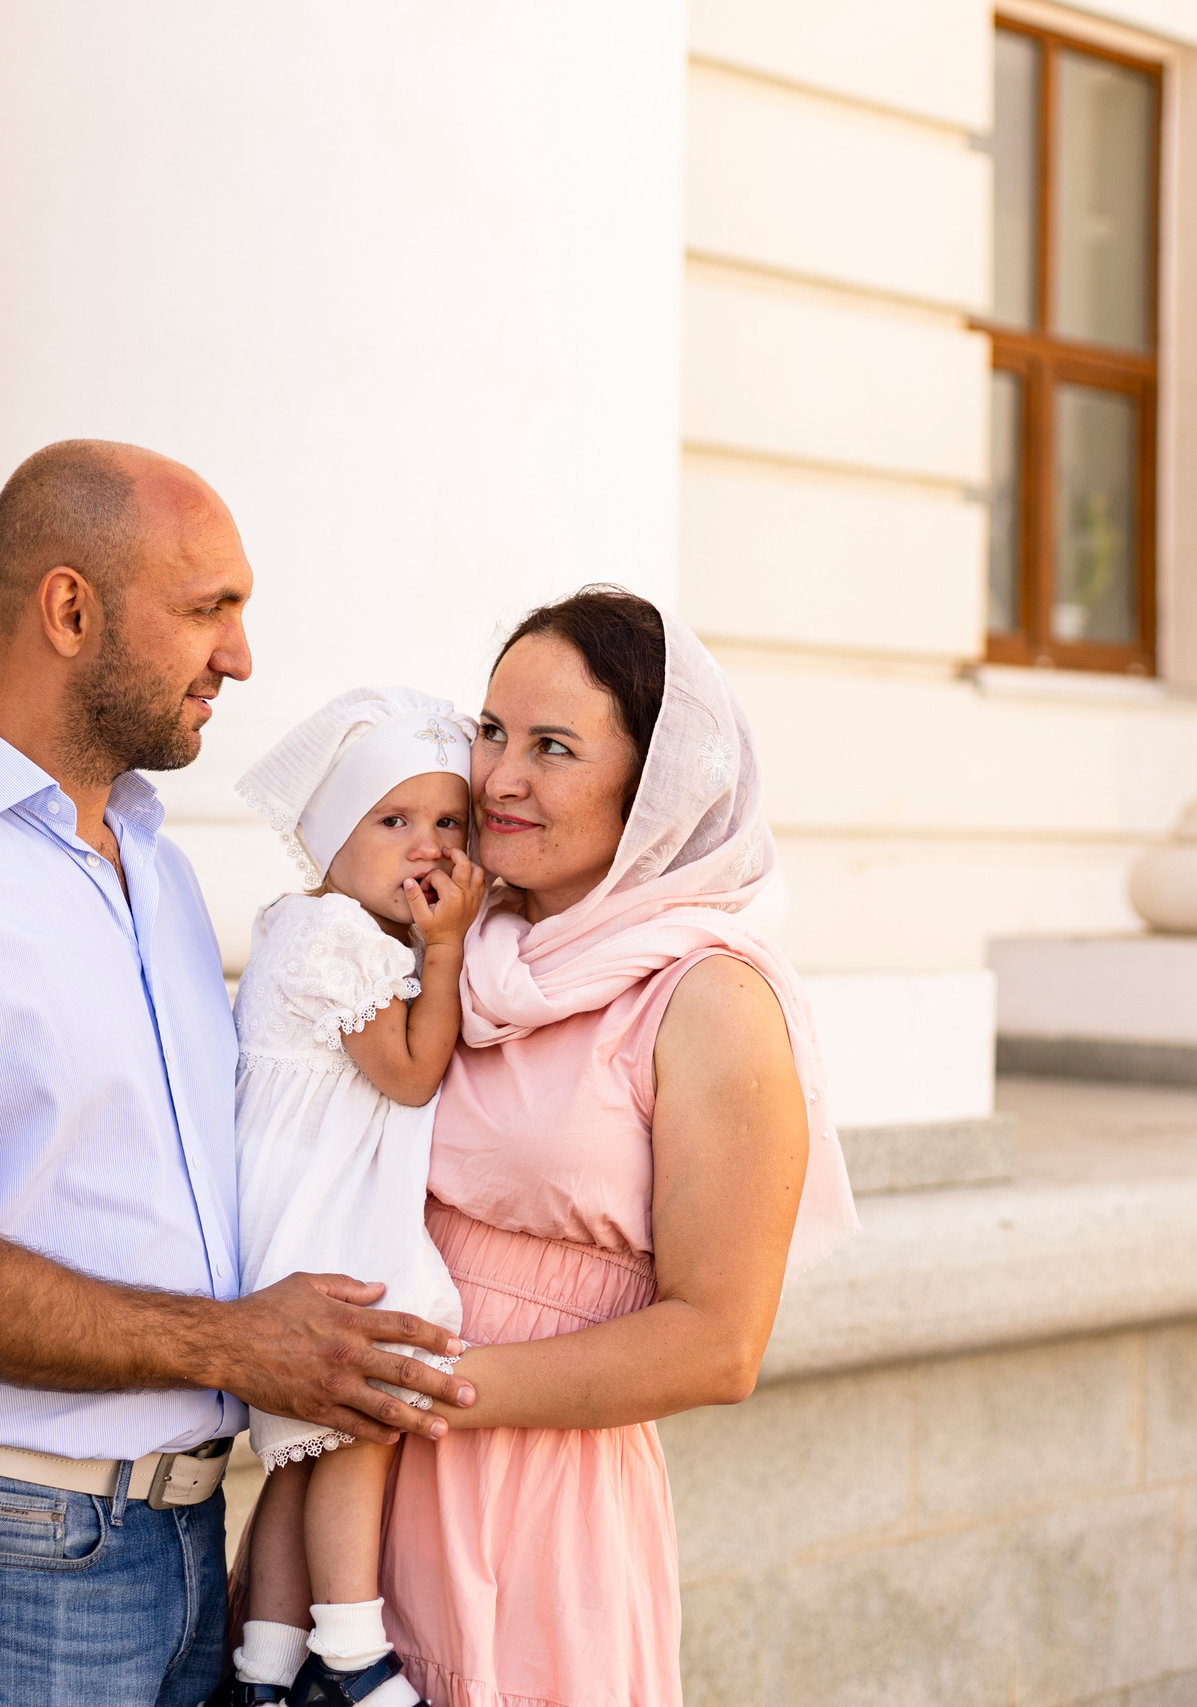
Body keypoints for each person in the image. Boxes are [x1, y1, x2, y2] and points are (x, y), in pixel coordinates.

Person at [0, 440, 472, 1707]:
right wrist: (239, 1342)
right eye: (207, 610)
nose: (239, 657)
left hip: (184, 1540)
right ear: (69, 609)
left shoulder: (160, 871)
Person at [378, 587, 858, 1707]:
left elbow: (717, 1344)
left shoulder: (710, 998)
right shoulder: (453, 948)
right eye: (491, 731)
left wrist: (435, 1388)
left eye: (553, 747)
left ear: (653, 789)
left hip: (541, 1507)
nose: (499, 778)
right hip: (365, 1481)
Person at [221, 688, 491, 1706]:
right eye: (393, 822)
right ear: (332, 837)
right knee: (368, 1397)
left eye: (447, 825)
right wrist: (449, 947)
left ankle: (264, 1666)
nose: (424, 847)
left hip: (309, 1201)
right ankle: (349, 1644)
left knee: (305, 1453)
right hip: (315, 1215)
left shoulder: (324, 929)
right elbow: (412, 1073)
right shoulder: (334, 937)